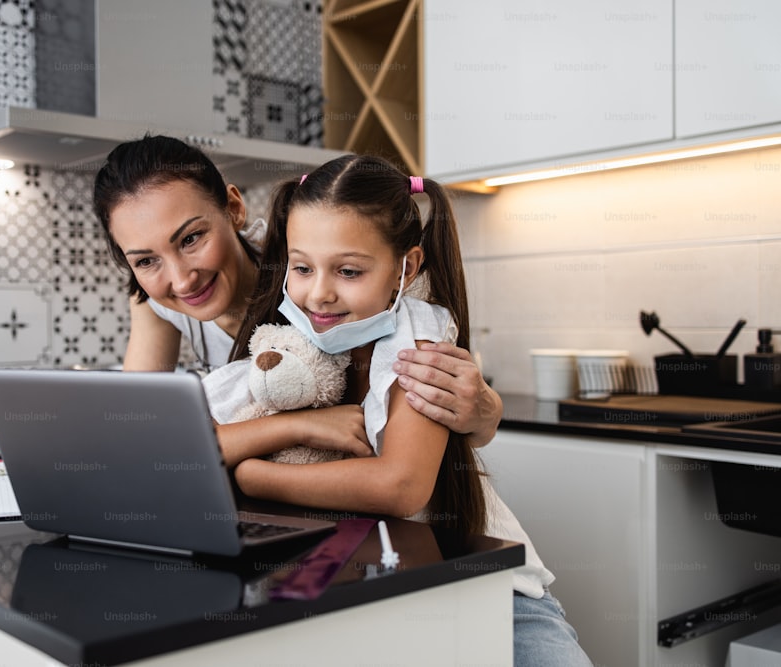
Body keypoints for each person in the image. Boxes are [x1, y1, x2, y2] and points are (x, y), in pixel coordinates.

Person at [201, 154, 593, 667]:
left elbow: (400, 485)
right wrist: (289, 428)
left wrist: (255, 474)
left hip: (485, 589)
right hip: (363, 591)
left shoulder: (420, 343)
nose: (318, 291)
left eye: (348, 270)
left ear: (405, 267)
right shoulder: (291, 343)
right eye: (302, 267)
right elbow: (195, 438)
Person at [92, 135, 503, 464]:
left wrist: (485, 414)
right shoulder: (154, 304)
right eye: (146, 261)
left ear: (233, 208)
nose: (181, 280)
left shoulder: (322, 286)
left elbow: (393, 441)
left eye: (191, 238)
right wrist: (297, 427)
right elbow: (141, 440)